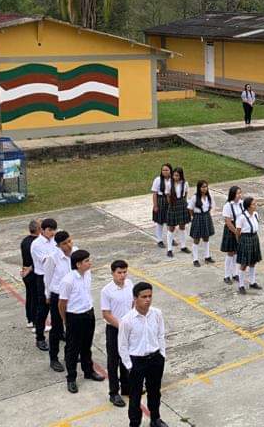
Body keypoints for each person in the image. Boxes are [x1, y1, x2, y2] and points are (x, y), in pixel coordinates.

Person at [119, 281, 168, 427]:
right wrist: (129, 365)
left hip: (155, 359)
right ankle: (134, 423)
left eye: (150, 296)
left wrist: (162, 354)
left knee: (155, 392)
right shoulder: (127, 320)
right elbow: (122, 345)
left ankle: (155, 419)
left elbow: (161, 335)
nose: (147, 299)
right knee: (135, 396)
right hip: (137, 362)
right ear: (135, 299)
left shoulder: (157, 314)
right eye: (144, 296)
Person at [59, 249, 105, 393]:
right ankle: (71, 378)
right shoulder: (68, 280)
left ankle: (88, 371)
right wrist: (66, 321)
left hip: (88, 313)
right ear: (78, 264)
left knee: (87, 345)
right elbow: (62, 303)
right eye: (86, 261)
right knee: (73, 349)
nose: (89, 263)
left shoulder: (87, 274)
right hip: (75, 316)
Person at [101, 259, 133, 407]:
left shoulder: (130, 284)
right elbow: (106, 314)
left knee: (126, 359)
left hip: (128, 328)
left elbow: (133, 303)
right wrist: (121, 326)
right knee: (113, 362)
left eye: (124, 272)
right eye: (119, 272)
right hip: (114, 329)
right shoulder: (106, 291)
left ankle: (126, 387)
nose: (122, 275)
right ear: (113, 273)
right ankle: (113, 393)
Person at [44, 230, 75, 371]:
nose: (69, 245)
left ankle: (72, 354)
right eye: (64, 243)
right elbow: (48, 278)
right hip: (58, 295)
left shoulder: (76, 253)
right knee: (56, 328)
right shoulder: (53, 258)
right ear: (58, 246)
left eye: (69, 241)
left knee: (73, 327)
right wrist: (48, 295)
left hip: (74, 295)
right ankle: (54, 358)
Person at [31, 218, 58, 351]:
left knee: (57, 307)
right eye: (50, 230)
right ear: (42, 230)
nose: (52, 233)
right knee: (43, 308)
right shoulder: (36, 244)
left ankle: (58, 331)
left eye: (54, 230)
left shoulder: (54, 241)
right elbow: (47, 261)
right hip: (42, 277)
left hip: (55, 276)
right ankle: (40, 337)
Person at [234, 197, 263, 295]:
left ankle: (252, 282)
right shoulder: (241, 217)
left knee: (253, 262)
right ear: (248, 206)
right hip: (245, 239)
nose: (255, 205)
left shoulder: (255, 214)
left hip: (254, 237)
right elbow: (238, 232)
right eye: (253, 204)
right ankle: (241, 285)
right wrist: (240, 243)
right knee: (244, 263)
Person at [165, 167, 191, 258]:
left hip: (182, 204)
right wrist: (171, 205)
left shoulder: (185, 183)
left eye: (177, 175)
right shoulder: (169, 184)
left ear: (181, 176)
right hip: (173, 205)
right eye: (174, 175)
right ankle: (169, 249)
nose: (175, 177)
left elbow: (186, 194)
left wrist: (184, 203)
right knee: (171, 227)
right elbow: (168, 196)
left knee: (182, 226)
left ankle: (183, 246)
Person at [188, 180, 215, 267]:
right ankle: (195, 259)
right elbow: (190, 209)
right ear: (199, 188)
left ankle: (207, 256)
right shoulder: (195, 198)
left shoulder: (209, 196)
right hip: (198, 217)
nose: (205, 188)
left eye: (206, 186)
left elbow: (210, 206)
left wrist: (206, 214)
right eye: (203, 187)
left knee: (206, 237)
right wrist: (194, 217)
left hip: (206, 216)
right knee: (197, 239)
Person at [220, 186, 243, 285]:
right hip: (231, 230)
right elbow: (228, 222)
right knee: (230, 253)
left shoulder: (241, 204)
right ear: (233, 194)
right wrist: (236, 232)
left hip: (239, 228)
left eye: (240, 193)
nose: (240, 195)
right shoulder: (228, 205)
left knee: (236, 252)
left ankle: (235, 273)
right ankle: (226, 275)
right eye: (238, 193)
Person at [20, 220, 40, 330]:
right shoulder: (37, 243)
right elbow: (37, 260)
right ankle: (36, 322)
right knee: (36, 298)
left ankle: (30, 319)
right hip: (33, 273)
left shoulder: (24, 241)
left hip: (26, 274)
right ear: (38, 229)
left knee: (30, 296)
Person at [150, 164, 172, 249]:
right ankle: (159, 240)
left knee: (170, 222)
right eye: (163, 170)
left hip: (169, 201)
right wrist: (155, 205)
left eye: (167, 170)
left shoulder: (172, 180)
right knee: (160, 222)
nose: (165, 172)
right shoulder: (158, 180)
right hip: (161, 201)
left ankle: (170, 238)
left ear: (170, 170)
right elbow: (154, 193)